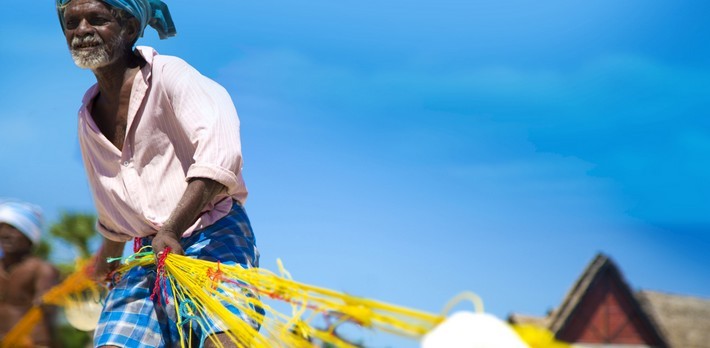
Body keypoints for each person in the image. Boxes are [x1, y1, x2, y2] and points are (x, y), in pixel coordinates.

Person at [57, 0, 262, 347]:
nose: (81, 31)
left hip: (213, 231)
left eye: (97, 19)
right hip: (148, 251)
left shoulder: (171, 76)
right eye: (71, 22)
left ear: (130, 29)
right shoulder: (86, 117)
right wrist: (104, 260)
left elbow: (220, 155)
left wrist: (172, 228)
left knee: (224, 340)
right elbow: (111, 204)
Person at [0, 200, 59, 347]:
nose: (4, 234)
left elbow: (49, 312)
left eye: (13, 228)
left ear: (29, 235)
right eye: (1, 227)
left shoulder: (42, 270)